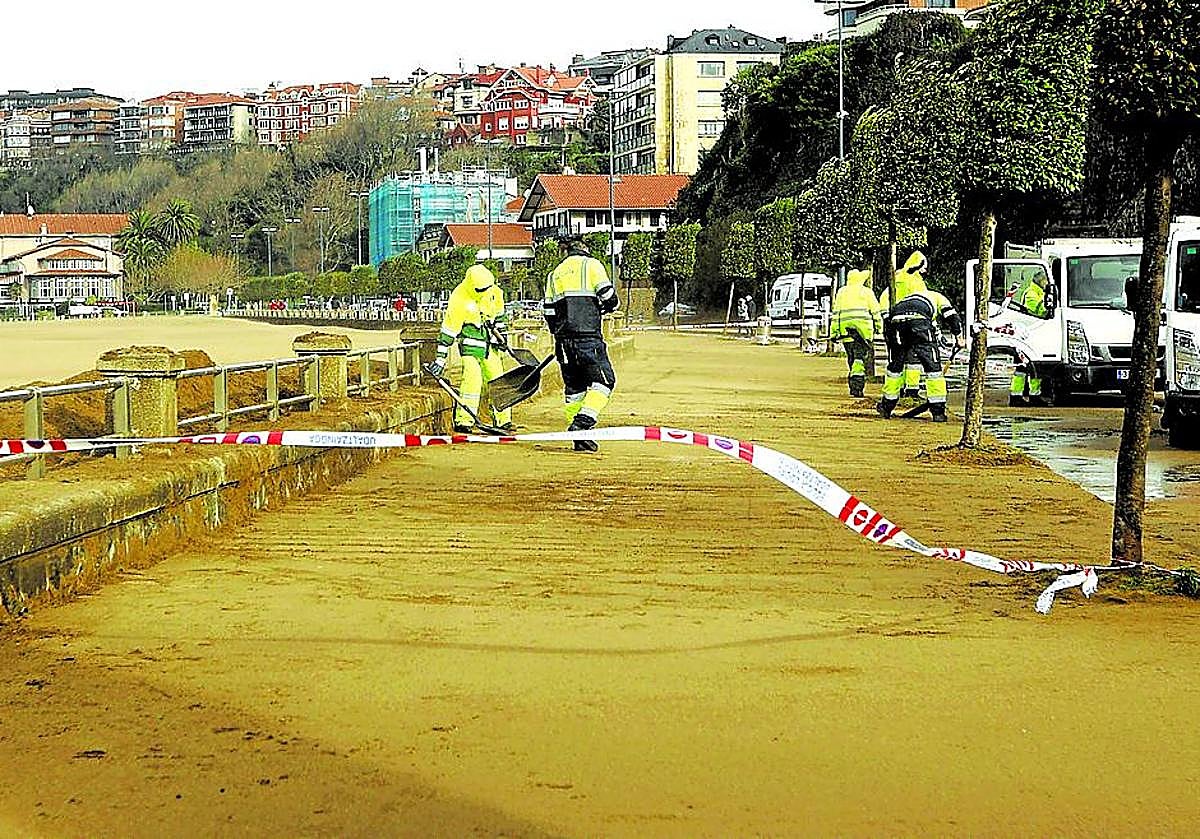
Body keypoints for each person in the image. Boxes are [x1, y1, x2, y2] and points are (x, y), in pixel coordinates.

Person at [544, 238, 620, 452]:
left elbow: (549, 312)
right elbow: (608, 296)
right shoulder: (592, 265)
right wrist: (606, 308)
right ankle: (583, 423)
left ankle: (580, 439)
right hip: (588, 337)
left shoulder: (554, 274)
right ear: (585, 249)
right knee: (605, 381)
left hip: (563, 342)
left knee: (574, 388)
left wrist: (559, 334)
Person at [428, 264, 513, 433]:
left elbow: (500, 316)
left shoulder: (495, 292)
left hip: (490, 346)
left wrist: (503, 337)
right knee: (472, 379)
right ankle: (464, 420)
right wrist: (440, 359)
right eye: (482, 290)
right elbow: (449, 329)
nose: (485, 292)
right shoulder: (459, 298)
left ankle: (503, 420)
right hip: (470, 346)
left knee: (499, 380)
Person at [877, 287, 965, 423]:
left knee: (896, 366)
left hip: (895, 321)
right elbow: (952, 317)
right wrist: (959, 338)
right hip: (919, 321)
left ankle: (886, 406)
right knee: (933, 368)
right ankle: (938, 411)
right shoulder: (939, 298)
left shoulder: (908, 298)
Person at [880, 251, 931, 398]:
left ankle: (895, 391)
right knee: (913, 357)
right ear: (919, 265)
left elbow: (885, 297)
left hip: (893, 323)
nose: (925, 270)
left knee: (896, 357)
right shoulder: (917, 282)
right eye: (924, 266)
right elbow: (924, 302)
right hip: (913, 324)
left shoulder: (897, 278)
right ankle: (912, 390)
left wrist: (886, 317)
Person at [830, 259, 883, 397]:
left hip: (846, 334)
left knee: (852, 359)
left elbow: (836, 314)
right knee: (860, 360)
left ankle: (855, 383)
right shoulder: (867, 292)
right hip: (863, 333)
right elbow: (875, 311)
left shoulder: (841, 292)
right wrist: (879, 327)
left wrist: (834, 332)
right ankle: (856, 386)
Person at [1009, 272, 1048, 406]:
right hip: (1026, 336)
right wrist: (1047, 303)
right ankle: (1016, 397)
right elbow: (1038, 312)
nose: (1047, 283)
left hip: (1033, 335)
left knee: (1034, 368)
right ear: (1040, 281)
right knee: (1022, 369)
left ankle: (1034, 395)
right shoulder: (1031, 293)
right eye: (1045, 281)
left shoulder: (1039, 292)